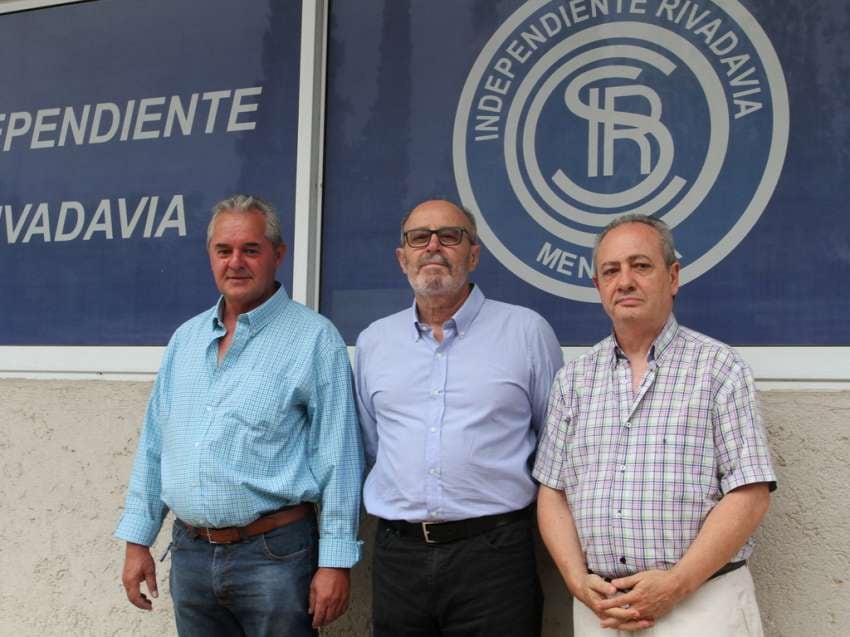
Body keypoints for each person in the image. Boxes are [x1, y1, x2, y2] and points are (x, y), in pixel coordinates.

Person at [115, 195, 364, 636]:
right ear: (210, 256)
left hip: (275, 556)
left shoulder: (314, 340)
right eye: (223, 251)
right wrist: (138, 541)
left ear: (278, 255)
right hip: (190, 553)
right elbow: (155, 446)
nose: (236, 262)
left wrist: (335, 563)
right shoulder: (186, 340)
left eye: (251, 249)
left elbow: (339, 460)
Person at [534, 214, 776, 636]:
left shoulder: (719, 368)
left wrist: (676, 584)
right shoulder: (573, 379)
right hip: (601, 610)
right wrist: (575, 580)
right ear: (598, 287)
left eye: (640, 266)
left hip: (700, 604)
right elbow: (552, 492)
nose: (624, 280)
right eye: (611, 270)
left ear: (673, 276)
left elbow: (750, 492)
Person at [354, 199, 563, 636]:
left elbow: (556, 450)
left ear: (473, 253)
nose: (433, 247)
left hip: (495, 557)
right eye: (419, 238)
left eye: (450, 236)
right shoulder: (375, 342)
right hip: (399, 557)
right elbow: (374, 445)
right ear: (402, 257)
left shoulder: (526, 332)